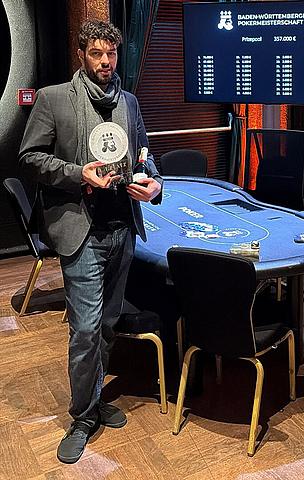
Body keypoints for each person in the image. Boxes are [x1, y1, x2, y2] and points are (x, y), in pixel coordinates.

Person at [18, 19, 163, 463]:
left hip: (122, 229)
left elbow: (144, 156)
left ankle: (95, 397)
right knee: (84, 328)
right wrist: (76, 173)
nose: (105, 62)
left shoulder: (129, 102)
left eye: (111, 54)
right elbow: (29, 158)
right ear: (81, 54)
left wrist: (154, 184)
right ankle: (82, 416)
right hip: (80, 231)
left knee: (107, 324)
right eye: (97, 54)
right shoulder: (54, 98)